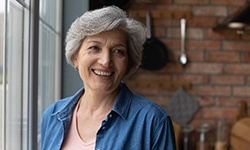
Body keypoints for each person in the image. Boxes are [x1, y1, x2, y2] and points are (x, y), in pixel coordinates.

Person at [40, 6, 176, 150]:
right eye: (94, 48)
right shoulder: (52, 116)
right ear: (75, 57)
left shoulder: (153, 121)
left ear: (128, 63)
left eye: (118, 51)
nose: (106, 61)